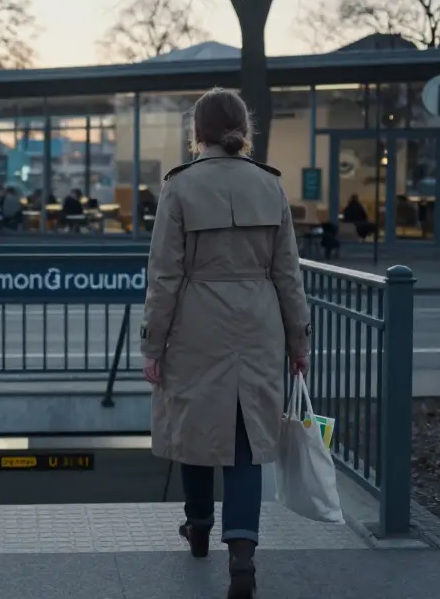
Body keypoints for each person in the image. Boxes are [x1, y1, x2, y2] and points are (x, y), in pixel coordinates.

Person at [140, 87, 311, 599]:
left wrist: (153, 344)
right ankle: (242, 555)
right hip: (258, 326)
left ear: (198, 132)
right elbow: (288, 273)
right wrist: (298, 340)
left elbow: (164, 275)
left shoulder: (180, 187)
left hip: (197, 324)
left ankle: (198, 527)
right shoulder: (270, 186)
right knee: (246, 441)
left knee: (194, 428)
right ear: (244, 129)